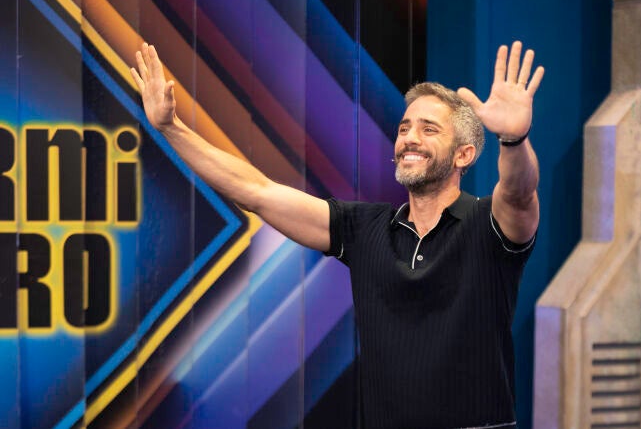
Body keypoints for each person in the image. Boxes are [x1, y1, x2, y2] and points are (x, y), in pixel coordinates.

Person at [131, 40, 543, 429]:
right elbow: (256, 192)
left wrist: (513, 140)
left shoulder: (489, 224)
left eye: (429, 129)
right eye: (404, 128)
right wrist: (171, 128)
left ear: (463, 155)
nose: (410, 138)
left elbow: (519, 192)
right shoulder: (365, 229)